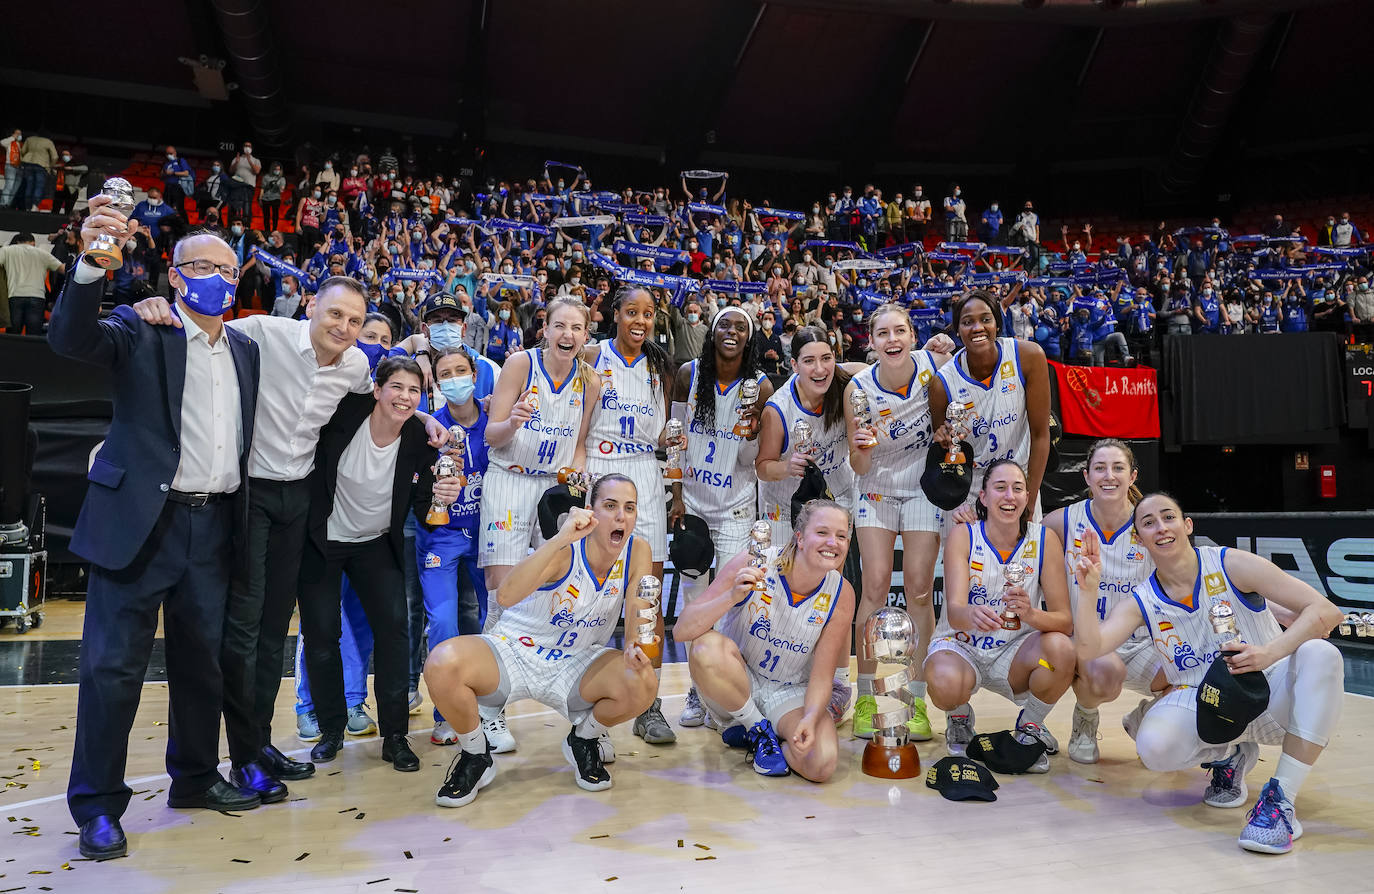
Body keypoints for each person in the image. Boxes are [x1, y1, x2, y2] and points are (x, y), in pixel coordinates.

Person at [130, 277, 451, 800]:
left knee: (277, 627)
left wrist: (427, 419)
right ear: (311, 307)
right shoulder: (262, 332)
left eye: (354, 320)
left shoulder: (354, 368)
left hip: (302, 504)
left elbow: (397, 396)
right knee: (252, 628)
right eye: (336, 315)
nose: (344, 328)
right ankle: (252, 752)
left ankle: (264, 744)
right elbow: (201, 333)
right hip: (255, 496)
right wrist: (157, 305)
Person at [50, 200, 262, 859]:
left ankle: (196, 778)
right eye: (202, 266)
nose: (217, 279)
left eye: (227, 270)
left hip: (213, 526)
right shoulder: (143, 328)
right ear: (174, 276)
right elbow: (70, 340)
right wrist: (91, 265)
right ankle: (97, 807)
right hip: (140, 525)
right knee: (112, 669)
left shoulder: (247, 349)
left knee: (201, 668)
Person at [1073, 493, 1345, 855]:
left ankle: (1280, 802)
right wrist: (1087, 592)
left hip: (1270, 687)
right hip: (1205, 701)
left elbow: (1325, 611)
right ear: (1138, 538)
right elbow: (1090, 649)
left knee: (1321, 655)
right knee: (1154, 748)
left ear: (1187, 525)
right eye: (1148, 523)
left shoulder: (1232, 563)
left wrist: (1270, 652)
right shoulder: (1142, 599)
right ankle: (1228, 755)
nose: (1161, 527)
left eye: (1168, 517)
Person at [423, 476, 659, 806]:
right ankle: (475, 754)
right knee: (441, 662)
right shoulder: (565, 549)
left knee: (644, 681)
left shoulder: (638, 551)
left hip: (576, 661)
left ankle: (583, 740)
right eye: (610, 506)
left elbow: (638, 605)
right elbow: (505, 595)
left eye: (629, 508)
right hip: (516, 651)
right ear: (591, 511)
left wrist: (635, 644)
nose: (621, 516)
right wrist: (559, 539)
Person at [297, 356, 462, 772]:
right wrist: (427, 415)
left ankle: (395, 735)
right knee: (321, 638)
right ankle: (332, 728)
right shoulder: (345, 415)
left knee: (394, 634)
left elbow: (426, 509)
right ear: (377, 389)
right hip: (322, 541)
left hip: (374, 545)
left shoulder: (420, 443)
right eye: (397, 388)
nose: (405, 398)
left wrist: (446, 494)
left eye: (414, 391)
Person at [478, 297, 601, 750]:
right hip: (510, 480)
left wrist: (579, 485)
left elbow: (582, 442)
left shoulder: (590, 380)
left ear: (586, 334)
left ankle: (559, 692)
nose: (568, 334)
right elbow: (491, 434)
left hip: (555, 488)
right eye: (560, 326)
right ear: (544, 329)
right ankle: (489, 710)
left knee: (556, 589)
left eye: (577, 327)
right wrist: (511, 421)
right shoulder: (518, 365)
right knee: (501, 591)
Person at [675, 499, 856, 781]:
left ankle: (756, 736)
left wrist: (809, 718)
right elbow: (682, 630)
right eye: (822, 533)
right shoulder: (754, 561)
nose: (832, 542)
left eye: (841, 536)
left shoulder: (842, 593)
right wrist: (731, 596)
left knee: (822, 764)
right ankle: (755, 727)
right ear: (799, 537)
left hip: (789, 691)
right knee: (705, 648)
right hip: (737, 681)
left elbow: (822, 676)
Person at [845, 305, 954, 742]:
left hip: (922, 486)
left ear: (913, 336)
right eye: (882, 333)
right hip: (875, 485)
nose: (892, 339)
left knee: (919, 590)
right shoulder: (859, 388)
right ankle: (868, 696)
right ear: (871, 342)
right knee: (873, 586)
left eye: (900, 331)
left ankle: (917, 699)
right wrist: (862, 445)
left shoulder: (936, 366)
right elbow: (857, 462)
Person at [924, 460, 1075, 767]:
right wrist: (971, 613)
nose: (1010, 496)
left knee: (1060, 649)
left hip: (1014, 652)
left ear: (1027, 496)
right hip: (962, 645)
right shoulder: (964, 535)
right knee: (943, 682)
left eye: (1018, 489)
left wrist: (1031, 614)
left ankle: (1030, 725)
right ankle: (959, 715)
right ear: (984, 497)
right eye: (1000, 488)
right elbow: (954, 612)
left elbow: (1063, 620)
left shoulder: (1044, 540)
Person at [581, 286, 680, 745]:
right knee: (589, 592)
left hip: (644, 473)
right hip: (600, 469)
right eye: (631, 312)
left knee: (648, 595)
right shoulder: (590, 352)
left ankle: (648, 701)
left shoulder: (660, 366)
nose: (640, 321)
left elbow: (664, 434)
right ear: (615, 314)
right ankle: (588, 706)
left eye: (648, 314)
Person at [668, 307, 773, 727]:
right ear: (711, 333)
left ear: (749, 338)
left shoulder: (760, 386)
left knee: (730, 603)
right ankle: (697, 690)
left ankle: (724, 689)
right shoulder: (688, 374)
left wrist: (750, 433)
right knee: (696, 602)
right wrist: (675, 495)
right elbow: (676, 438)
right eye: (725, 325)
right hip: (692, 501)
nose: (732, 332)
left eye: (740, 327)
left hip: (736, 505)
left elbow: (756, 455)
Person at [755, 325, 858, 722]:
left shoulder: (844, 386)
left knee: (839, 594)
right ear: (793, 365)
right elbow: (763, 467)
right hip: (787, 511)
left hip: (835, 503)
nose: (820, 368)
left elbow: (876, 365)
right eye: (809, 361)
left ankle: (840, 682)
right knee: (784, 601)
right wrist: (787, 466)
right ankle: (781, 678)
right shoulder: (778, 409)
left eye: (827, 358)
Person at [1041, 439, 1161, 764]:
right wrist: (974, 519)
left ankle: (1146, 717)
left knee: (1192, 671)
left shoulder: (1151, 524)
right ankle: (1085, 717)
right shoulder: (1060, 522)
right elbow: (1014, 546)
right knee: (1105, 673)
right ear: (1086, 477)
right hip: (1087, 642)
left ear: (1133, 476)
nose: (1109, 476)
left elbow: (1189, 575)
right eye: (1100, 468)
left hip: (1138, 643)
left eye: (1118, 468)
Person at [415, 346, 491, 745]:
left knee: (489, 619)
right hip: (440, 538)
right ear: (437, 382)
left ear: (474, 374)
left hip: (487, 534)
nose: (455, 379)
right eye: (446, 374)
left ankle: (489, 709)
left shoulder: (495, 420)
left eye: (461, 370)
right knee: (443, 622)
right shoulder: (429, 428)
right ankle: (445, 711)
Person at [929, 289, 1051, 520]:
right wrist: (942, 437)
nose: (977, 328)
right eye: (967, 322)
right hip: (969, 489)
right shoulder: (941, 383)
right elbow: (942, 443)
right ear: (957, 330)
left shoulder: (1029, 356)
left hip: (1017, 483)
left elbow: (1040, 435)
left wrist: (1030, 499)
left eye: (986, 319)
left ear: (997, 324)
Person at [1, 232, 63, 335]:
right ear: (33, 242)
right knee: (33, 335)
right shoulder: (42, 253)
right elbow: (62, 269)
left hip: (15, 296)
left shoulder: (7, 250)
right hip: (37, 297)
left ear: (17, 242)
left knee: (12, 335)